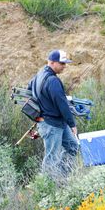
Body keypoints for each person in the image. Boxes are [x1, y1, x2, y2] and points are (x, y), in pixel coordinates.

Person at [27, 49, 78, 180]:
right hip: (51, 125)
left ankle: (62, 176)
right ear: (52, 62)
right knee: (51, 157)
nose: (64, 66)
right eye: (62, 63)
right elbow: (62, 104)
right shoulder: (53, 81)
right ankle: (47, 185)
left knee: (73, 147)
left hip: (55, 123)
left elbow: (29, 89)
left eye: (65, 63)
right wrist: (72, 124)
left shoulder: (39, 74)